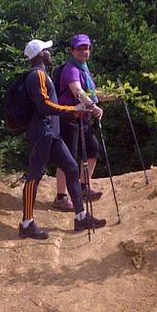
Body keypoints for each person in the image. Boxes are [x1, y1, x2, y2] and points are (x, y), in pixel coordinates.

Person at [19, 38, 106, 240]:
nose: (50, 53)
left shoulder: (43, 75)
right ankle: (27, 224)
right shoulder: (37, 76)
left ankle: (81, 216)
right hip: (42, 133)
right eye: (46, 50)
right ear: (40, 55)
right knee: (35, 176)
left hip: (52, 133)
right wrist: (71, 110)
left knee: (72, 168)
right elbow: (45, 106)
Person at [53, 34, 115, 212]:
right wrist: (93, 106)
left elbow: (93, 93)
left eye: (86, 48)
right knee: (68, 158)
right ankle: (61, 197)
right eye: (80, 48)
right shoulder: (71, 69)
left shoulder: (84, 69)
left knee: (93, 150)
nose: (84, 51)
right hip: (69, 118)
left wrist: (118, 94)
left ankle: (83, 186)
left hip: (82, 118)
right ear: (72, 50)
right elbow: (78, 92)